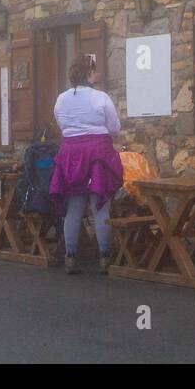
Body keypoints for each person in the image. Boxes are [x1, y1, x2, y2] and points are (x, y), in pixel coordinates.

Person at [49, 54, 124, 274]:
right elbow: (114, 127)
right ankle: (104, 257)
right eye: (95, 71)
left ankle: (70, 257)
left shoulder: (61, 99)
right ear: (90, 73)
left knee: (74, 209)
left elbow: (61, 125)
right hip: (97, 152)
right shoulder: (100, 97)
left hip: (70, 152)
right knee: (100, 207)